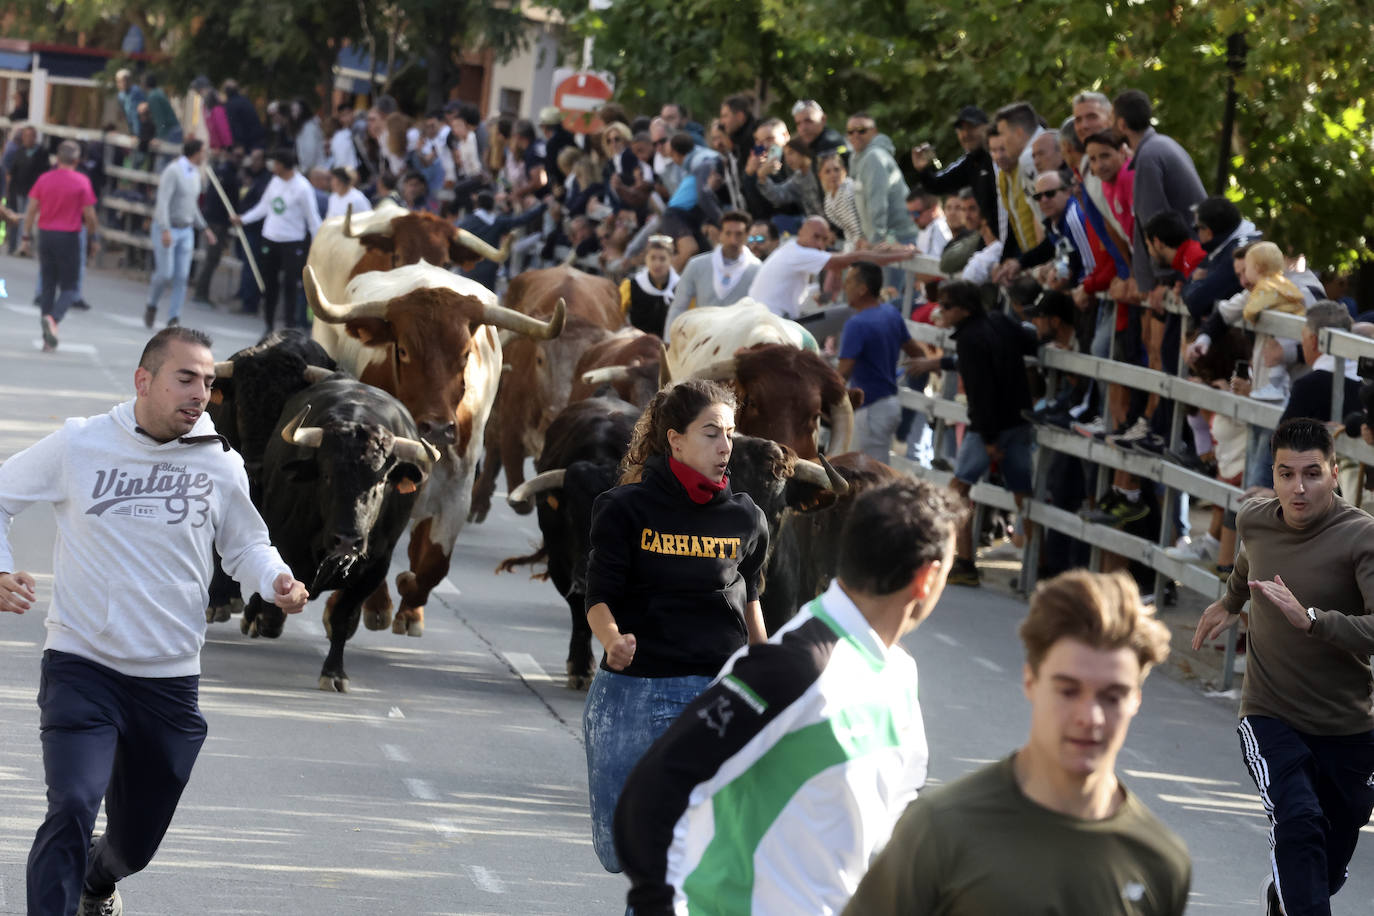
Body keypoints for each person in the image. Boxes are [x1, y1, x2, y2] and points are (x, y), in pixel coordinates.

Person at [0, 327, 310, 916]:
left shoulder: (220, 462)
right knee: (71, 804)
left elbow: (246, 545)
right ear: (144, 381)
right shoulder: (81, 444)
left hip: (167, 680)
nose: (200, 393)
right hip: (81, 665)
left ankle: (98, 880)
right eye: (185, 378)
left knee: (133, 846)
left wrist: (276, 582)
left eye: (209, 383)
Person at [615, 478, 962, 914]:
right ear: (927, 577)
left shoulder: (899, 676)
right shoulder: (795, 667)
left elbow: (894, 838)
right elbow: (651, 793)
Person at [847, 570, 1190, 914]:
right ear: (1030, 682)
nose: (1090, 717)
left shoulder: (1160, 861)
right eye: (1068, 691)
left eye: (1112, 696)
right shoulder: (941, 830)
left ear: (1136, 701)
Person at [582, 379, 771, 875]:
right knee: (621, 852)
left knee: (676, 856)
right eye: (711, 433)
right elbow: (598, 597)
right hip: (633, 697)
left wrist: (772, 674)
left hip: (717, 700)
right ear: (675, 440)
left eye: (730, 433)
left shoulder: (746, 518)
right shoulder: (625, 509)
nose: (725, 446)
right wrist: (610, 641)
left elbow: (751, 605)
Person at [1191, 418, 1374, 916]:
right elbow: (1249, 561)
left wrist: (1312, 620)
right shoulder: (1254, 518)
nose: (1299, 488)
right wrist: (1231, 602)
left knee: (1326, 864)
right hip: (1271, 713)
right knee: (1296, 820)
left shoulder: (1361, 537)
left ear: (1336, 473)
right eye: (1286, 474)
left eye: (1312, 473)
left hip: (1349, 725)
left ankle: (1284, 896)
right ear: (1271, 476)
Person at [907, 280, 1037, 586]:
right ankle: (1036, 567)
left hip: (988, 430)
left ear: (964, 309)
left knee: (955, 493)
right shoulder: (999, 321)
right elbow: (1022, 345)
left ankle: (964, 563)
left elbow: (981, 392)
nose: (941, 311)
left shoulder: (970, 339)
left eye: (947, 306)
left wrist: (990, 442)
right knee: (1024, 497)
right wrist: (940, 361)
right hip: (1018, 422)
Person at [837, 261, 928, 463]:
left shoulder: (857, 324)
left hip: (869, 409)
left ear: (862, 289)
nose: (845, 286)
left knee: (866, 474)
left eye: (850, 281)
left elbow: (842, 374)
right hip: (889, 404)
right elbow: (917, 352)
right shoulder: (891, 313)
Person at [747, 216, 914, 319]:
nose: (820, 244)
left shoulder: (793, 249)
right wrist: (904, 254)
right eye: (816, 237)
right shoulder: (798, 253)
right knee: (847, 315)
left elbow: (829, 295)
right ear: (802, 232)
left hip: (771, 318)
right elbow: (855, 257)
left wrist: (838, 268)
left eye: (824, 239)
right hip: (772, 321)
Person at [18, 140, 99, 353]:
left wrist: (25, 237)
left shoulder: (44, 179)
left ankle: (47, 337)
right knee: (70, 288)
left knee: (48, 285)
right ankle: (54, 320)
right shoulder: (82, 181)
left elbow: (32, 210)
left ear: (57, 158)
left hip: (46, 235)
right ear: (77, 160)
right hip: (69, 236)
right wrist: (94, 237)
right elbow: (90, 214)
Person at [231, 147, 321, 332]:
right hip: (270, 238)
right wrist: (244, 219)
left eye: (276, 164)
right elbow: (264, 207)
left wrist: (318, 241)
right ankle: (268, 324)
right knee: (269, 283)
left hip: (292, 241)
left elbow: (312, 219)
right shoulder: (275, 182)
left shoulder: (303, 188)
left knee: (290, 284)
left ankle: (289, 326)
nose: (273, 167)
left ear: (285, 166)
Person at [145, 140, 216, 329]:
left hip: (186, 229)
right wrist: (165, 228)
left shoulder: (195, 174)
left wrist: (204, 228)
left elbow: (192, 205)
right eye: (203, 152)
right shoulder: (173, 171)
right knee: (164, 273)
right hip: (169, 226)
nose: (205, 156)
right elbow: (163, 202)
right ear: (195, 153)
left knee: (182, 276)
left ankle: (174, 316)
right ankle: (152, 304)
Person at [663, 210, 760, 340]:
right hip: (702, 340)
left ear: (747, 236)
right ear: (720, 235)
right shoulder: (696, 265)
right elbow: (678, 308)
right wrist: (669, 342)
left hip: (740, 343)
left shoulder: (758, 269)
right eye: (728, 233)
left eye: (739, 234)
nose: (733, 240)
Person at [846, 112, 917, 246]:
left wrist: (876, 241)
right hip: (883, 239)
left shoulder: (874, 157)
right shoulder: (857, 158)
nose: (855, 135)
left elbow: (877, 203)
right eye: (850, 131)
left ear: (874, 132)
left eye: (862, 130)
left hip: (895, 239)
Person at [457, 190, 545, 291]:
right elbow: (521, 220)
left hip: (467, 268)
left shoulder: (465, 222)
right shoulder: (497, 222)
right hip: (488, 271)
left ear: (477, 204)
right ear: (492, 205)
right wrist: (542, 207)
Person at [619, 235, 679, 337]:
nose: (657, 264)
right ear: (646, 259)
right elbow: (617, 314)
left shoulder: (680, 287)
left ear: (671, 259)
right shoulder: (631, 285)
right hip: (636, 344)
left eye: (662, 259)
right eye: (653, 258)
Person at [819, 151, 863, 247]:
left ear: (843, 170)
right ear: (821, 175)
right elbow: (847, 229)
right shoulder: (829, 199)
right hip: (852, 242)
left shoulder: (849, 191)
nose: (833, 174)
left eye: (836, 169)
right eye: (828, 171)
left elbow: (857, 230)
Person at [142, 74, 182, 144]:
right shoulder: (159, 92)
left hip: (170, 132)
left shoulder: (153, 97)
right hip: (175, 129)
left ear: (145, 85)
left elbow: (159, 118)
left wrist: (160, 138)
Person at [114, 70, 145, 136]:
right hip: (130, 126)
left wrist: (137, 134)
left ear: (130, 81)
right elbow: (122, 114)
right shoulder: (121, 95)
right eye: (119, 81)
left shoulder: (135, 92)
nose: (123, 83)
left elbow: (136, 115)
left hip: (141, 128)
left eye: (125, 80)